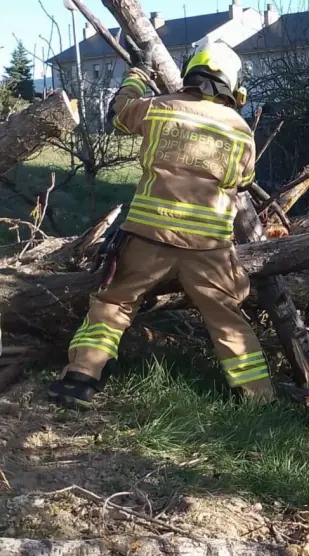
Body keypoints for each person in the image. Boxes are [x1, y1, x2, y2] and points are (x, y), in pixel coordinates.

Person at [47, 39, 275, 410]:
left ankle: (80, 379)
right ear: (234, 88)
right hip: (209, 248)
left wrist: (138, 72)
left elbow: (118, 113)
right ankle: (259, 400)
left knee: (113, 304)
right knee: (226, 317)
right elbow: (243, 181)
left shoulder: (158, 109)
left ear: (190, 74)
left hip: (147, 237)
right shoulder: (240, 130)